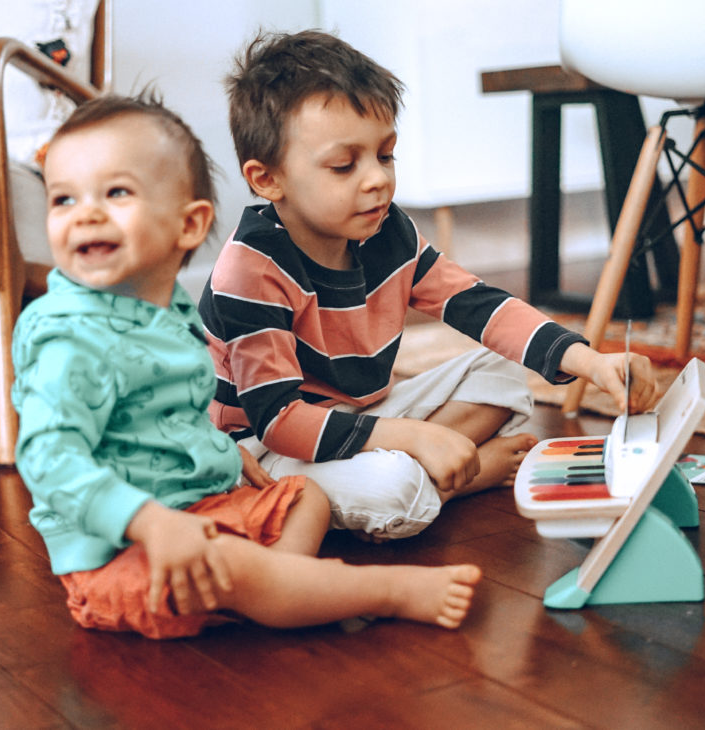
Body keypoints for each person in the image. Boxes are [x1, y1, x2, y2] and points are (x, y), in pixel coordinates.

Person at [11, 92, 482, 639]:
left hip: (199, 508)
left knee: (306, 498)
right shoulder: (67, 338)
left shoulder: (166, 309)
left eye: (116, 193)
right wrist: (151, 522)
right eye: (63, 199)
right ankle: (381, 591)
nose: (85, 213)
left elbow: (167, 416)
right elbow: (49, 459)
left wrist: (220, 450)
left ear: (188, 226)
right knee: (230, 567)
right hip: (121, 552)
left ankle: (281, 592)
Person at [199, 30, 658, 542]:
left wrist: (592, 363)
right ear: (267, 180)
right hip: (267, 452)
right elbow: (280, 420)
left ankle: (430, 469)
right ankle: (459, 476)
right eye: (344, 165)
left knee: (507, 368)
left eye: (385, 155)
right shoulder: (249, 270)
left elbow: (479, 305)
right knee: (390, 489)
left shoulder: (386, 231)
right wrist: (414, 436)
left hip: (363, 417)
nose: (376, 179)